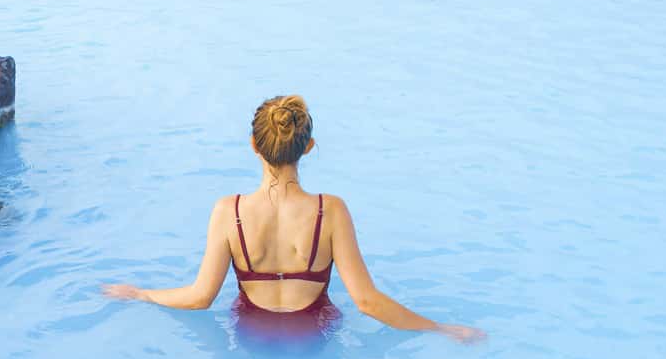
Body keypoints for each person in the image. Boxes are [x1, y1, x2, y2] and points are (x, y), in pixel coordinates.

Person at [102, 94, 484, 341]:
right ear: (309, 147)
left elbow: (200, 297)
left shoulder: (227, 211)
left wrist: (141, 294)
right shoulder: (331, 211)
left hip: (250, 335)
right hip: (314, 336)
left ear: (254, 146)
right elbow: (367, 302)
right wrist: (440, 328)